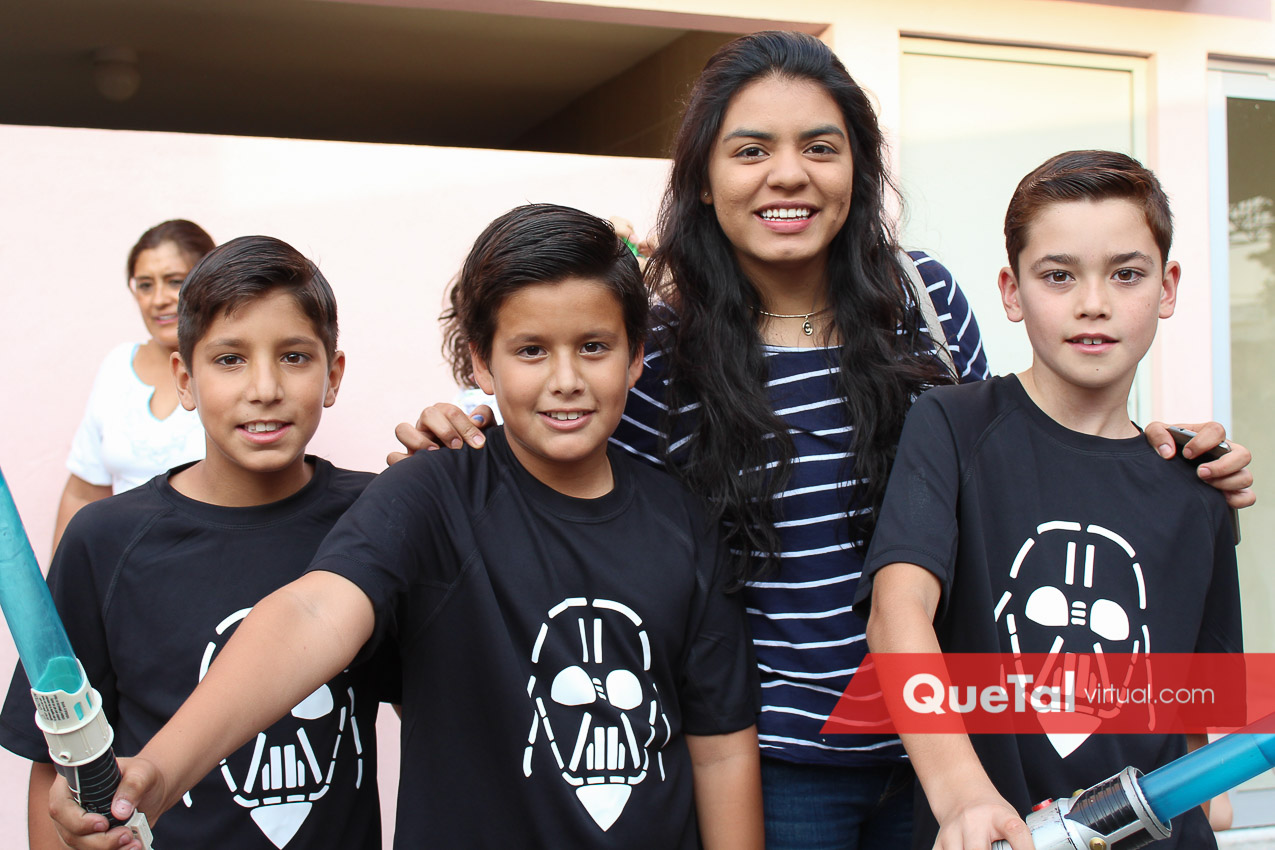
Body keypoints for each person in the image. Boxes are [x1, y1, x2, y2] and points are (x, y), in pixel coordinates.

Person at [397, 31, 1254, 849]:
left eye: (819, 147)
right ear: (703, 180)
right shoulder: (656, 348)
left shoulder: (924, 300)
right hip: (770, 766)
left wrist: (1152, 456)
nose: (788, 174)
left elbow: (1018, 452)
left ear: (857, 168)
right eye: (750, 150)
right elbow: (584, 502)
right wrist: (469, 446)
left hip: (956, 749)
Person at [50, 204, 763, 850]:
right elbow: (314, 612)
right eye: (530, 350)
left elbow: (721, 748)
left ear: (636, 357)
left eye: (595, 347)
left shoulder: (684, 521)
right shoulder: (428, 493)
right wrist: (160, 771)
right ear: (480, 362)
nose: (566, 378)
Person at [855, 150, 1241, 849]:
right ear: (1011, 292)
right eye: (1058, 275)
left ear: (1167, 287)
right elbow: (897, 612)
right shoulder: (953, 425)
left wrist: (1204, 799)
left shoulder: (1198, 487)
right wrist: (963, 796)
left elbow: (1196, 716)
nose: (1093, 303)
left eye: (1126, 274)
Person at [1, 235, 395, 849]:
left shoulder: (379, 517)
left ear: (333, 374)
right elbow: (54, 764)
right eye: (229, 359)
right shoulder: (105, 542)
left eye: (294, 357)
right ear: (184, 379)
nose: (264, 387)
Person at [53, 220, 215, 550]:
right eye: (145, 285)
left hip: (210, 561)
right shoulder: (117, 367)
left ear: (209, 283)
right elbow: (83, 491)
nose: (158, 299)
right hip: (120, 566)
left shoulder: (229, 367)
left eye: (175, 281)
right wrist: (56, 579)